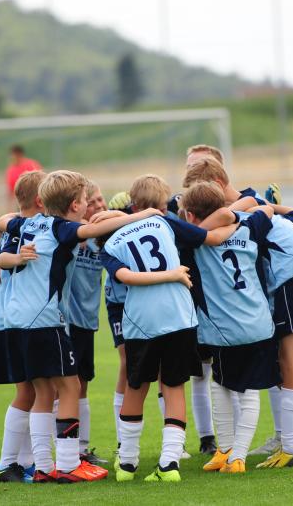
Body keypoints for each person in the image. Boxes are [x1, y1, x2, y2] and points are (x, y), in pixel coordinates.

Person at [0, 169, 159, 484]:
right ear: (73, 204)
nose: (88, 205)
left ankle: (43, 467)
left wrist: (8, 257)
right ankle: (70, 465)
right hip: (45, 320)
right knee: (69, 387)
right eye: (85, 199)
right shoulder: (63, 229)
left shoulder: (26, 223)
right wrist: (145, 214)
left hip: (14, 321)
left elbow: (3, 221)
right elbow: (98, 229)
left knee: (43, 390)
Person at [184, 158, 293, 467]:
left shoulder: (235, 213)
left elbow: (220, 222)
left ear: (215, 186)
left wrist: (208, 227)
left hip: (292, 273)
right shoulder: (250, 208)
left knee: (290, 359)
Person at [99, 174, 237, 483]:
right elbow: (210, 237)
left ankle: (128, 464)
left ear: (132, 203)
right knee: (173, 387)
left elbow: (122, 276)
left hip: (141, 321)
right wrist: (241, 222)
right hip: (179, 316)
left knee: (136, 388)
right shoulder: (167, 223)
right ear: (162, 204)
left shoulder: (110, 240)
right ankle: (170, 464)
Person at [179, 182, 281, 474]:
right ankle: (230, 453)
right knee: (239, 387)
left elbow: (180, 229)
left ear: (190, 215)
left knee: (224, 385)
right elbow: (266, 208)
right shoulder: (249, 225)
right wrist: (233, 213)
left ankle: (233, 454)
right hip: (258, 322)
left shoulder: (192, 241)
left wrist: (219, 218)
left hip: (225, 328)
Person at [0, 170, 45, 484]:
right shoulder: (33, 230)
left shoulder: (12, 225)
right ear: (40, 199)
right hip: (14, 321)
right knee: (28, 391)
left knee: (33, 391)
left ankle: (23, 462)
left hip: (6, 320)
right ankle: (8, 463)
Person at [66, 180, 109, 466]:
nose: (99, 206)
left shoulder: (104, 233)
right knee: (62, 387)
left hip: (87, 320)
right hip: (64, 320)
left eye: (101, 200)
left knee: (83, 383)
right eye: (92, 201)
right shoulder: (69, 232)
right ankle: (56, 452)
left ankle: (81, 449)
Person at [6, 144, 42, 209]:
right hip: (20, 201)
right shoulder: (11, 169)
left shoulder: (30, 165)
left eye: (13, 155)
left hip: (34, 199)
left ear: (19, 154)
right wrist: (9, 205)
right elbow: (10, 188)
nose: (11, 157)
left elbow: (41, 180)